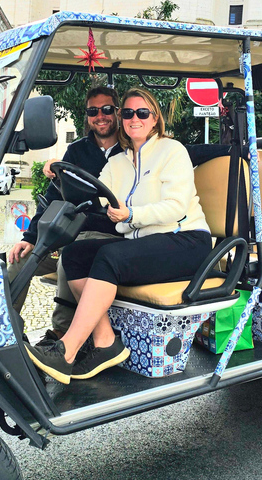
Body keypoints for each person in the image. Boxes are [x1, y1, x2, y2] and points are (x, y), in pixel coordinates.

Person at [24, 88, 212, 384]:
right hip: (143, 242)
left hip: (185, 240)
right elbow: (93, 195)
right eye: (127, 113)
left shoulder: (173, 151)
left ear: (154, 119)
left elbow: (176, 207)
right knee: (75, 256)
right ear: (122, 119)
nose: (133, 118)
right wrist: (60, 177)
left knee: (110, 256)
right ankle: (105, 343)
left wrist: (131, 215)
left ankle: (66, 352)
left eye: (142, 113)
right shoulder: (118, 162)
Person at [7, 86, 124, 344]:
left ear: (117, 112)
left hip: (111, 235)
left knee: (69, 260)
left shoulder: (131, 150)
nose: (100, 116)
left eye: (106, 109)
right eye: (93, 111)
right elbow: (53, 197)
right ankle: (8, 335)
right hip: (72, 231)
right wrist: (31, 237)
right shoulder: (77, 151)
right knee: (20, 259)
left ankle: (62, 334)